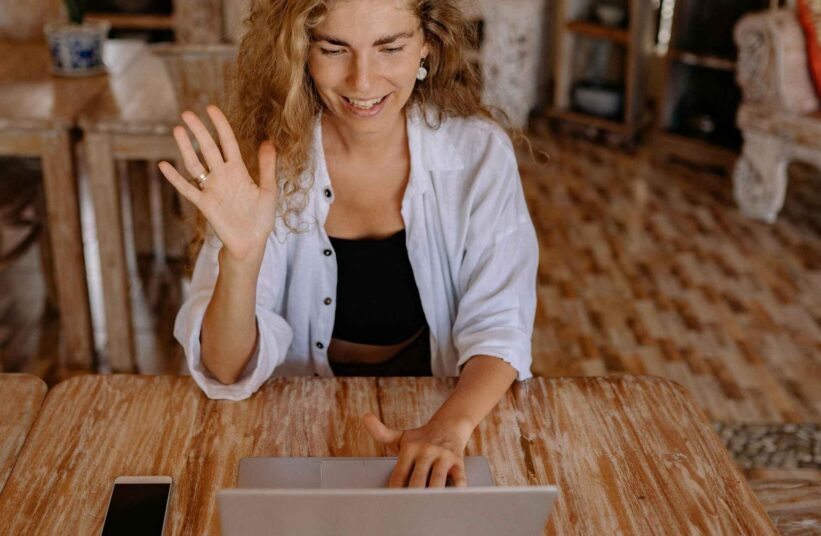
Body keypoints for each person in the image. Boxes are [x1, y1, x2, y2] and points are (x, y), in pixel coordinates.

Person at [159, 0, 539, 489]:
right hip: (291, 425)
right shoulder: (267, 165)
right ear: (301, 51)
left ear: (426, 44)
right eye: (334, 48)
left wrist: (449, 427)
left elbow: (500, 325)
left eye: (390, 48)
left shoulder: (479, 154)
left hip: (443, 410)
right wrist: (241, 259)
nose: (363, 81)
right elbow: (225, 369)